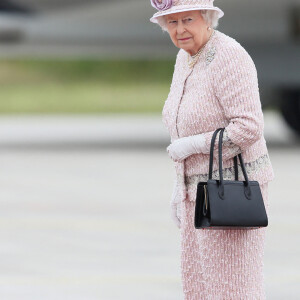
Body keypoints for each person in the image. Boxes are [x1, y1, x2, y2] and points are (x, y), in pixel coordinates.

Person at [149, 0, 275, 299]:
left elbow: (248, 127)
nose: (180, 29)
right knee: (198, 285)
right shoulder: (186, 58)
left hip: (232, 189)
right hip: (198, 192)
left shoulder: (228, 55)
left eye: (188, 19)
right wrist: (179, 189)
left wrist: (193, 145)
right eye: (172, 22)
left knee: (231, 286)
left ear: (207, 19)